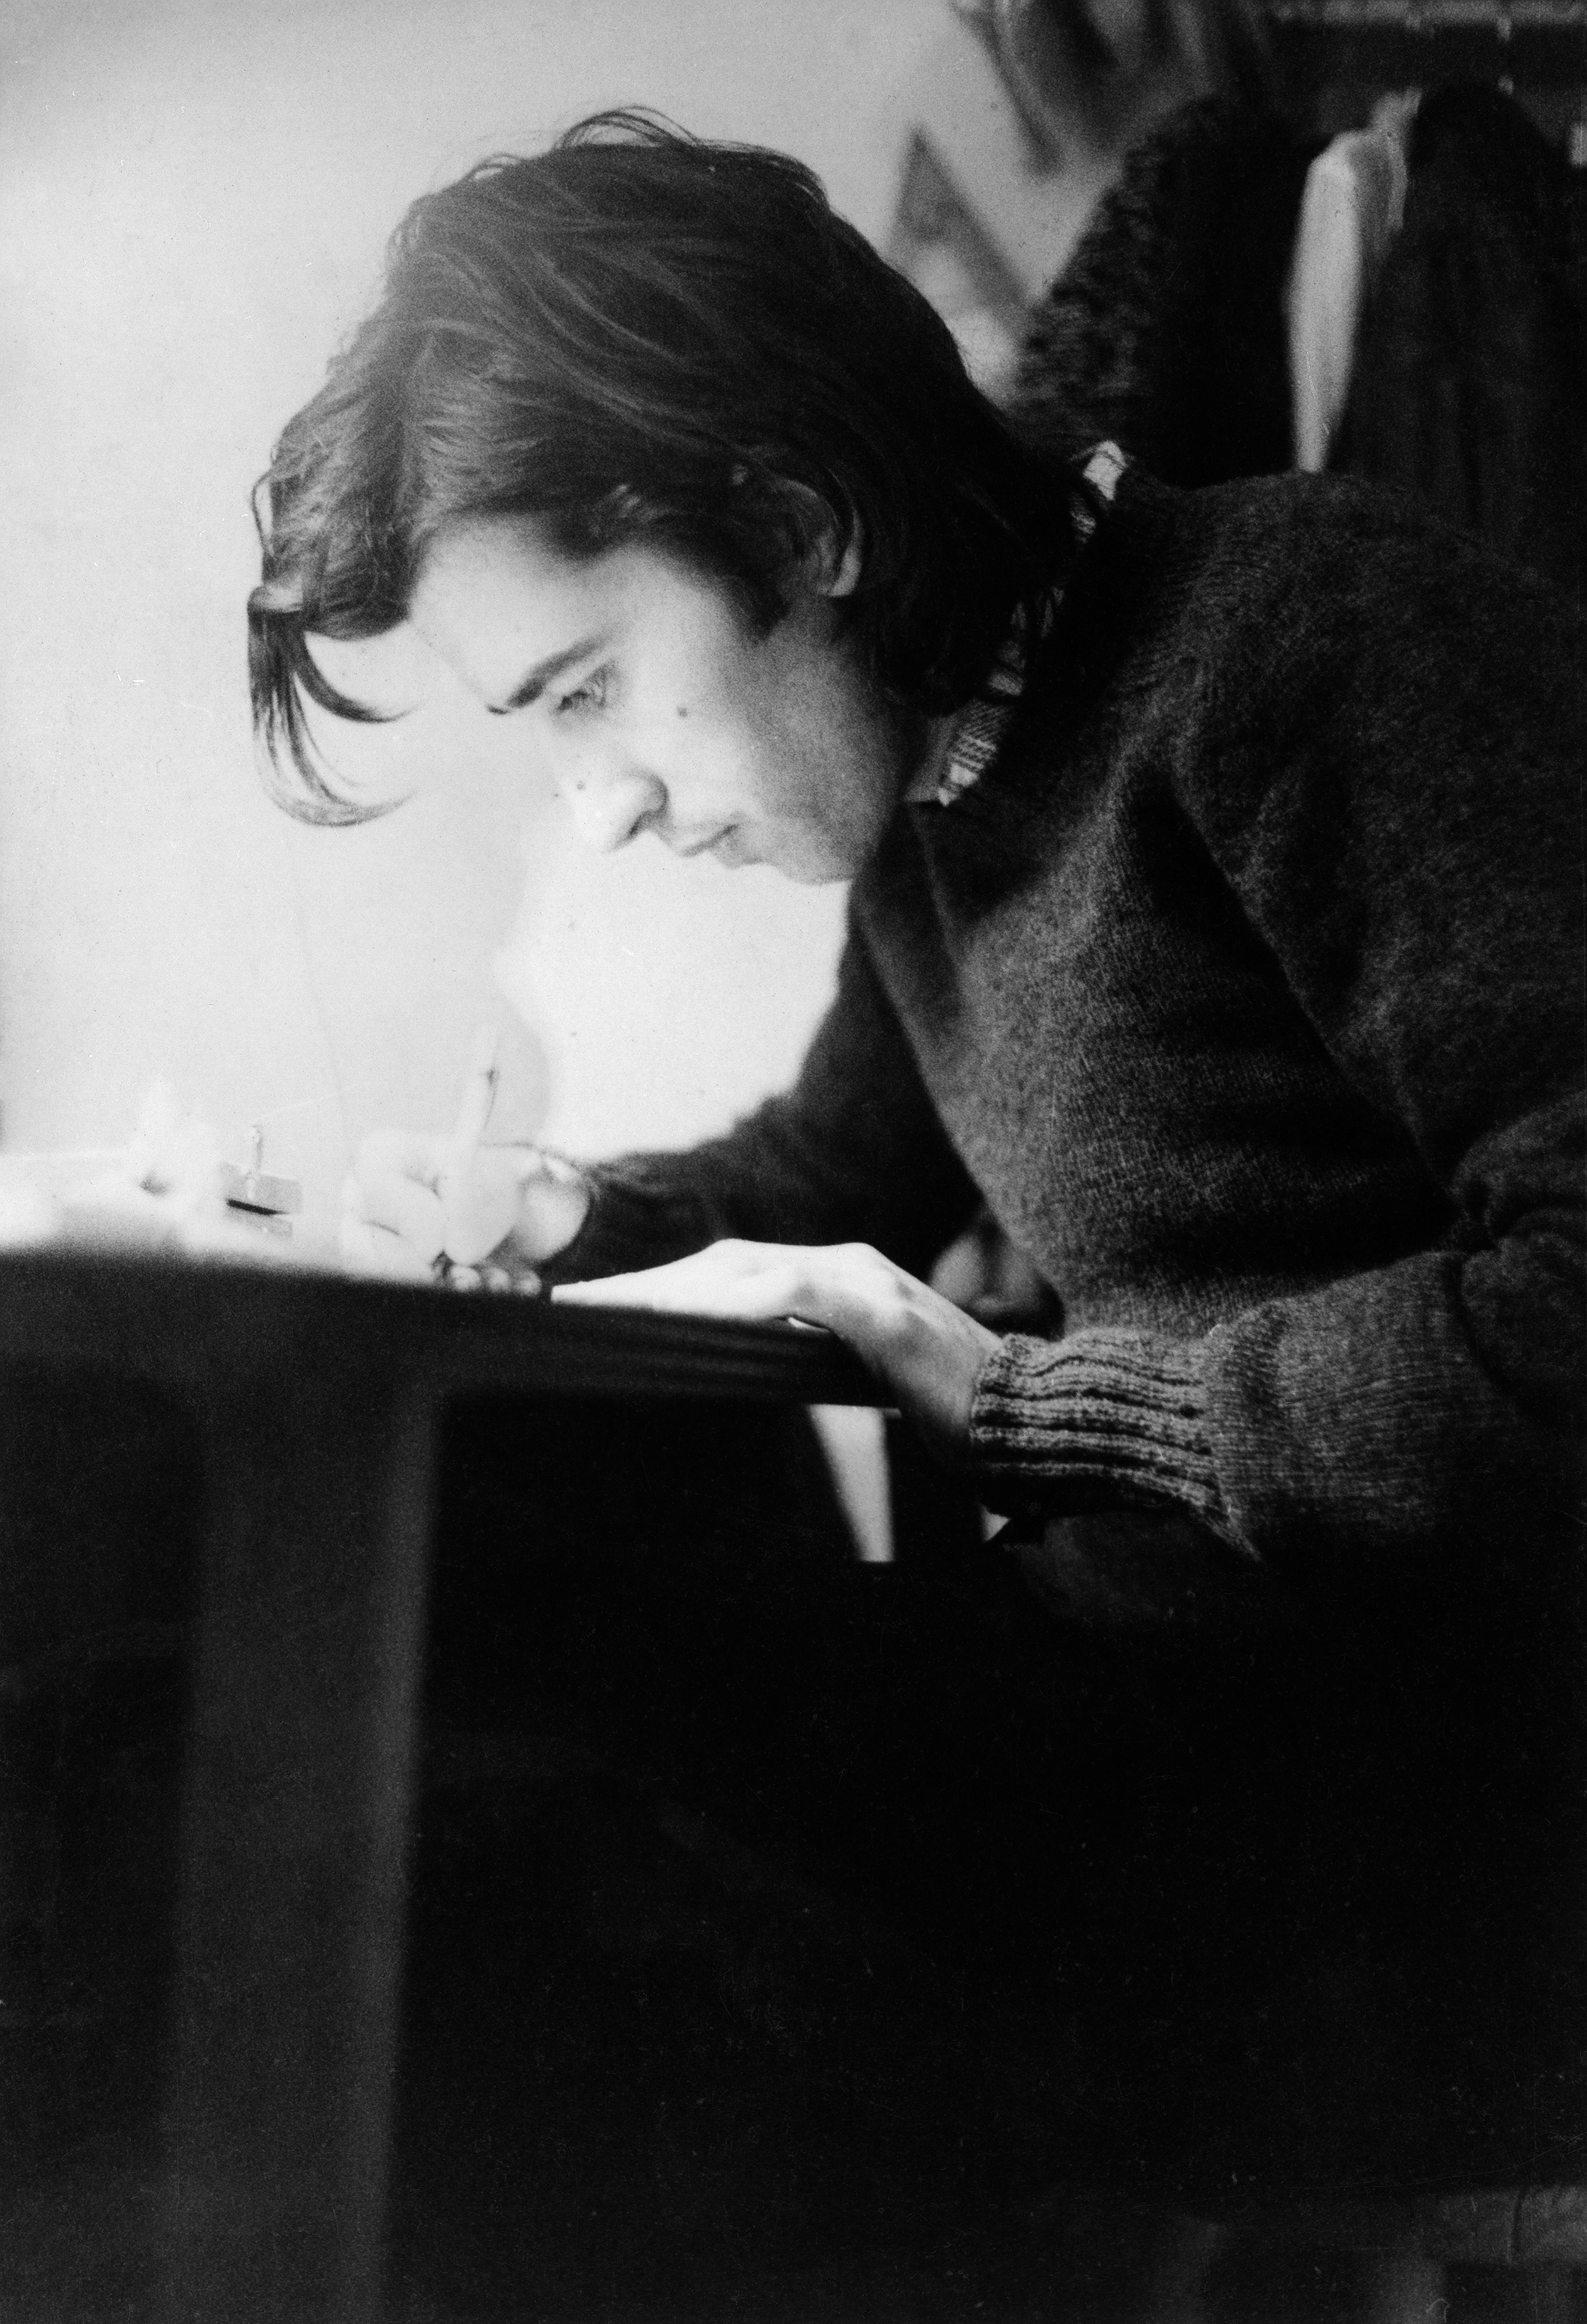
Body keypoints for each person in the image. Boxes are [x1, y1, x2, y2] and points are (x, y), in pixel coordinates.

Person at [249, 113, 1585, 2201]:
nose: (601, 807)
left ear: (801, 528)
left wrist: (1042, 1410)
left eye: (590, 693)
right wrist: (561, 1210)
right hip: (1176, 1741)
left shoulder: (1312, 633)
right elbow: (833, 1172)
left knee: (448, 1838)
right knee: (353, 1696)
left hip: (1443, 1852)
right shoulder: (943, 789)